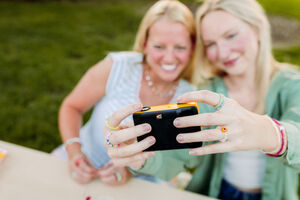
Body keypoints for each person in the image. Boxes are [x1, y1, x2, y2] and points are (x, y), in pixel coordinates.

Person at [104, 0, 300, 199]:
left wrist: (268, 132)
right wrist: (137, 158)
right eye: (210, 44)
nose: (222, 52)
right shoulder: (208, 94)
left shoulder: (293, 85)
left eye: (231, 35)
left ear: (258, 27)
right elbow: (176, 157)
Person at [56, 0, 197, 186]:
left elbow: (174, 162)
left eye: (180, 47)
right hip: (80, 167)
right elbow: (72, 107)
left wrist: (130, 170)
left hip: (140, 185)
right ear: (145, 44)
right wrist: (75, 153)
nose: (169, 57)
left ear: (192, 48)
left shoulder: (189, 97)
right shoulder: (118, 67)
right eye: (159, 46)